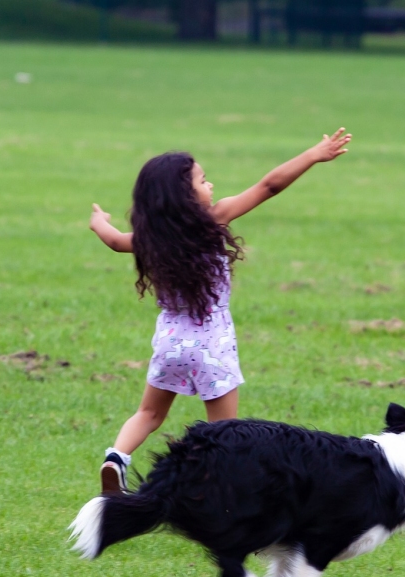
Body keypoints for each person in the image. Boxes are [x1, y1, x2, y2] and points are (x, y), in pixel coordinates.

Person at [88, 128, 351, 493]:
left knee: (148, 413)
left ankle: (116, 457)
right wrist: (313, 155)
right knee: (224, 433)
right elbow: (269, 186)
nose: (210, 185)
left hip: (170, 343)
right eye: (203, 180)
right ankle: (211, 491)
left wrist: (98, 221)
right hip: (212, 345)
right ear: (184, 195)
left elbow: (116, 240)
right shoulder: (214, 220)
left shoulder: (151, 238)